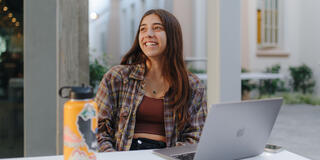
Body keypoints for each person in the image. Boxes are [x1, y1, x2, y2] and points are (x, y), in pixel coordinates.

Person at [95, 9, 207, 152]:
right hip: (123, 154)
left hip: (166, 155)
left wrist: (169, 157)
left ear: (172, 36)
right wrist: (114, 157)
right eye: (143, 29)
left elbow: (196, 135)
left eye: (157, 28)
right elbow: (97, 129)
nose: (148, 34)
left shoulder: (192, 85)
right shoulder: (116, 77)